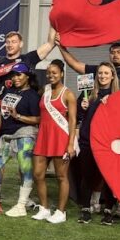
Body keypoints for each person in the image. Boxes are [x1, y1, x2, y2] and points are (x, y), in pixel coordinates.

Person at [0, 63, 40, 216]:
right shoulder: (9, 90)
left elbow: (38, 119)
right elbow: (2, 113)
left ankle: (21, 205)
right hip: (6, 136)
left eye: (19, 74)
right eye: (13, 75)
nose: (15, 78)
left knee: (25, 168)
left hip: (24, 134)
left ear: (27, 76)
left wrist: (18, 116)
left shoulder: (33, 95)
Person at [30, 60, 77, 225]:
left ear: (62, 74)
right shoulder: (45, 90)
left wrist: (70, 144)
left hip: (60, 139)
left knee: (61, 176)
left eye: (54, 73)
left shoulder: (68, 94)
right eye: (49, 73)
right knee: (38, 174)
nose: (51, 75)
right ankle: (44, 208)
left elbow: (72, 121)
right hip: (43, 137)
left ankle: (61, 212)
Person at [73, 61, 120, 224]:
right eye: (100, 73)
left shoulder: (117, 96)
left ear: (112, 76)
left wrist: (111, 102)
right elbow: (79, 116)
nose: (102, 76)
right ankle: (86, 209)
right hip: (88, 140)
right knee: (87, 176)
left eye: (106, 73)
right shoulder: (88, 93)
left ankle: (108, 210)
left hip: (108, 144)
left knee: (108, 177)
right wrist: (83, 107)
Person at [0, 26, 56, 96]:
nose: (10, 45)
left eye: (13, 42)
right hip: (5, 101)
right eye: (8, 42)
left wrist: (53, 23)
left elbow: (50, 44)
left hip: (26, 100)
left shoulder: (28, 58)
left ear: (21, 44)